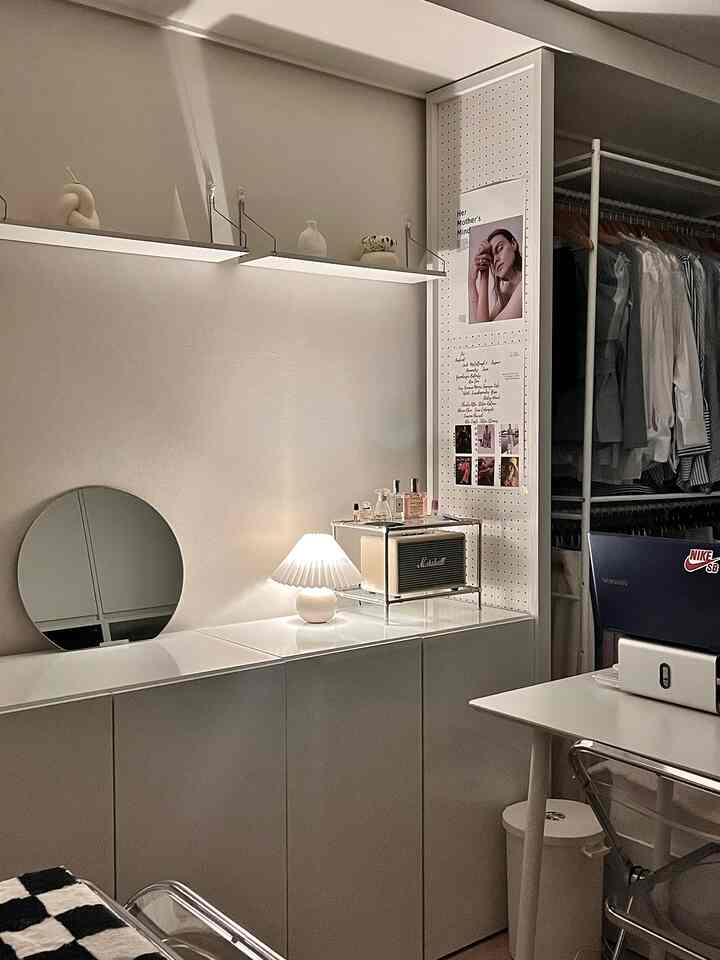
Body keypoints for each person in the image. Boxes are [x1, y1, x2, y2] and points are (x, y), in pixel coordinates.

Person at [469, 227, 523, 323]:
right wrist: (472, 281)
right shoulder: (506, 289)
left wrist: (484, 274)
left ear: (513, 244)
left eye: (500, 248)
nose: (496, 260)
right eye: (491, 258)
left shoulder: (525, 285)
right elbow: (479, 322)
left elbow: (484, 329)